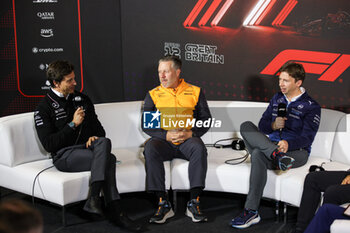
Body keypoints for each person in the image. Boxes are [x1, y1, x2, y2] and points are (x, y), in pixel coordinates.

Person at [34, 60, 140, 231]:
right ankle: (117, 213)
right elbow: (49, 144)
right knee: (109, 159)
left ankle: (94, 199)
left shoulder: (82, 99)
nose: (75, 83)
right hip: (64, 156)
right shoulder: (43, 108)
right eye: (69, 80)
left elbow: (101, 132)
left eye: (74, 78)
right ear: (56, 83)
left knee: (104, 143)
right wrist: (72, 125)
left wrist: (94, 136)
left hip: (88, 150)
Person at [231, 62, 321, 229]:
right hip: (273, 148)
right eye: (280, 80)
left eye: (285, 81)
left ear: (298, 83)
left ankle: (251, 211)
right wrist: (273, 126)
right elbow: (262, 125)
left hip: (296, 152)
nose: (281, 84)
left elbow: (308, 138)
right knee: (246, 126)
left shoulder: (311, 106)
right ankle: (275, 155)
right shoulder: (277, 98)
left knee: (257, 153)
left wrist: (288, 143)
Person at [142, 55, 211, 224]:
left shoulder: (195, 91)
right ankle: (163, 203)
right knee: (150, 147)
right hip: (164, 142)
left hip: (187, 141)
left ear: (177, 72)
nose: (162, 76)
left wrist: (191, 134)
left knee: (199, 147)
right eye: (160, 72)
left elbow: (206, 119)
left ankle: (194, 202)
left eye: (166, 71)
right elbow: (148, 126)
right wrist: (165, 135)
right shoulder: (153, 94)